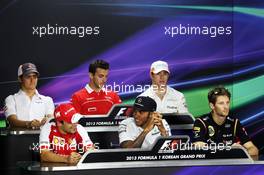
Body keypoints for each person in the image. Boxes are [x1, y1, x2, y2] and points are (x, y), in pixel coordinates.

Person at [192, 86, 259, 158]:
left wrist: (241, 151)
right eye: (221, 103)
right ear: (212, 106)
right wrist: (230, 149)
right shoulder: (201, 122)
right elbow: (198, 148)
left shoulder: (234, 122)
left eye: (227, 103)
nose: (226, 107)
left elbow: (254, 150)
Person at [4, 63, 54, 129]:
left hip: (41, 138)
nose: (32, 80)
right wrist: (29, 124)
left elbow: (51, 117)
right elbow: (12, 121)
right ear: (20, 79)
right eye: (28, 77)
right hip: (19, 138)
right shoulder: (11, 99)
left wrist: (47, 119)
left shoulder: (47, 100)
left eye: (34, 76)